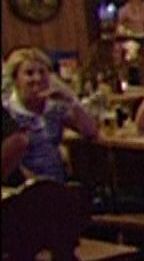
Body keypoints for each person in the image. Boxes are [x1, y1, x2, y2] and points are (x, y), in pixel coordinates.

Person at [3, 48, 100, 185]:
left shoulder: (53, 109)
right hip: (25, 188)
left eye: (42, 72)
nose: (37, 78)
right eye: (29, 73)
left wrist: (71, 101)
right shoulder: (8, 114)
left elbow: (91, 132)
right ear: (15, 79)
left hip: (59, 184)